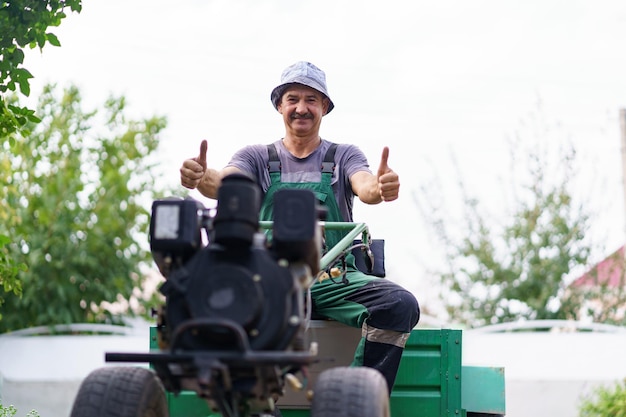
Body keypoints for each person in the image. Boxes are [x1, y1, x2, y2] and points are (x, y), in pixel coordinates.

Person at [179, 61, 420, 393]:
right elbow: (224, 183)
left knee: (399, 304)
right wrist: (201, 177)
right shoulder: (257, 157)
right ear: (280, 105)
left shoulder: (343, 155)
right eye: (293, 99)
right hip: (272, 280)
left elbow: (365, 186)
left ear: (324, 107)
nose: (301, 108)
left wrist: (380, 188)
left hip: (334, 279)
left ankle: (358, 397)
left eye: (311, 99)